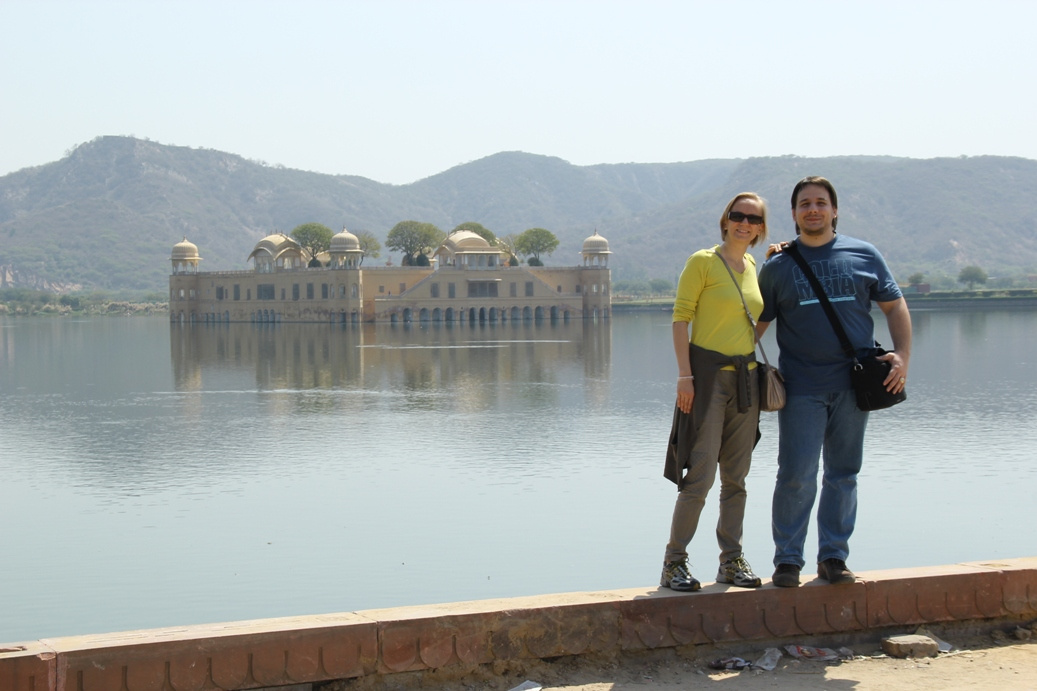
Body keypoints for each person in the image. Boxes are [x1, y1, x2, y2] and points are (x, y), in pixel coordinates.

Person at [756, 176, 912, 587]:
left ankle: (833, 559)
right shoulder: (778, 267)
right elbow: (756, 325)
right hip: (801, 386)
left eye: (821, 203)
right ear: (793, 214)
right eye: (805, 203)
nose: (813, 209)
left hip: (853, 386)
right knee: (796, 473)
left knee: (843, 473)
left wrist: (904, 357)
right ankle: (788, 560)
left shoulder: (863, 254)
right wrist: (713, 369)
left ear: (834, 210)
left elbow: (895, 307)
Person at [661, 192, 769, 591]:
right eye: (738, 216)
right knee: (701, 477)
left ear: (760, 228)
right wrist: (685, 376)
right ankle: (674, 563)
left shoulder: (754, 265)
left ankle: (731, 561)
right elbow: (680, 320)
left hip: (746, 381)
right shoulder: (703, 261)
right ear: (725, 220)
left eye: (753, 219)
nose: (745, 223)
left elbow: (758, 319)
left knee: (736, 478)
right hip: (706, 381)